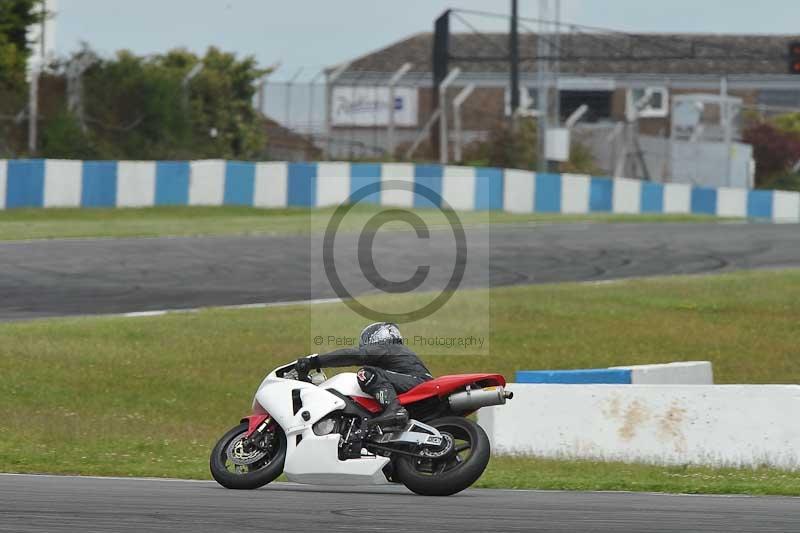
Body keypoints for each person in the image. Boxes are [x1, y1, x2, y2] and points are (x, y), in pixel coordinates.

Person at [296, 322, 433, 429]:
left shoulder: (387, 347)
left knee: (365, 374)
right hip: (418, 384)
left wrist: (314, 361)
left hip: (418, 383)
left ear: (377, 336)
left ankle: (395, 410)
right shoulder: (397, 352)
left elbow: (354, 355)